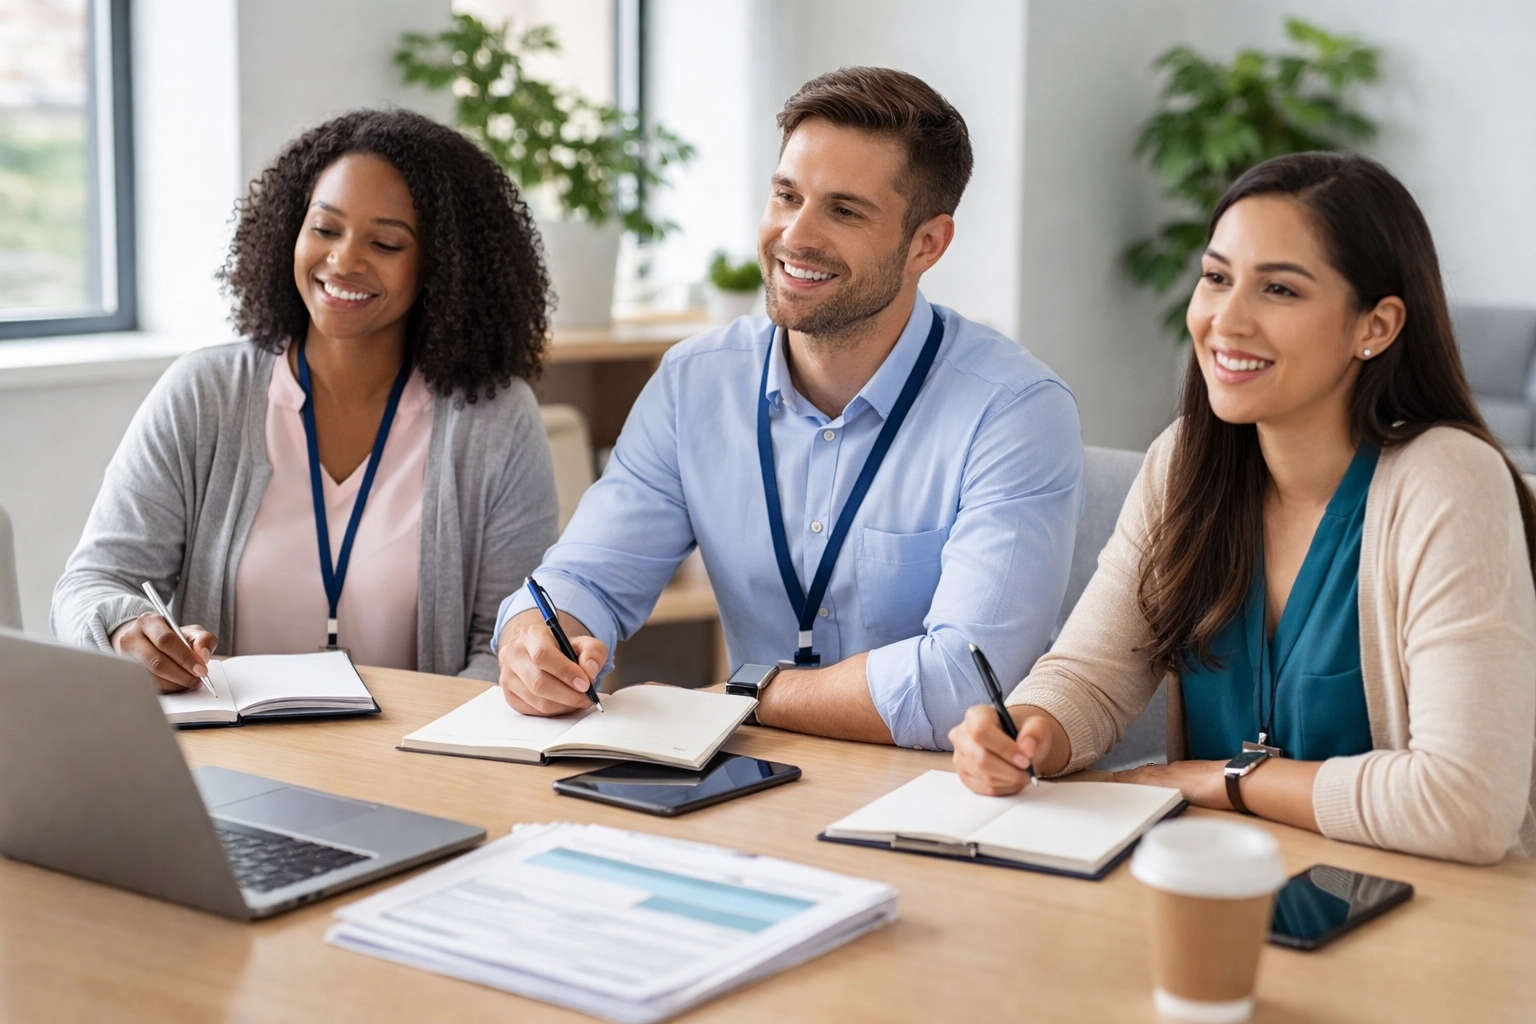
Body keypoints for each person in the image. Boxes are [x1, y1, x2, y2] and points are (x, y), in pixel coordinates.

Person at [950, 152, 1536, 864]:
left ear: (1374, 326)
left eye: (1280, 290)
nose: (1226, 320)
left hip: (1420, 917)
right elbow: (1091, 676)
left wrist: (1222, 782)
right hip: (1217, 886)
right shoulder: (1185, 461)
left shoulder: (1448, 480)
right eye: (1217, 278)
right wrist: (1027, 731)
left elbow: (1465, 806)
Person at [495, 67, 1083, 751]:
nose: (794, 235)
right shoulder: (695, 383)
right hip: (750, 785)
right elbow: (585, 576)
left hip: (938, 795)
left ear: (927, 244)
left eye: (844, 210)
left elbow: (963, 682)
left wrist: (748, 695)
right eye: (786, 195)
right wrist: (541, 638)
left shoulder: (1014, 411)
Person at [52, 109, 560, 688]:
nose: (344, 260)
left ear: (442, 267)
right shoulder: (204, 394)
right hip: (233, 762)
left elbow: (514, 643)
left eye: (386, 242)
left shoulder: (495, 419)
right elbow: (89, 584)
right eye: (325, 229)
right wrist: (126, 630)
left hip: (411, 766)